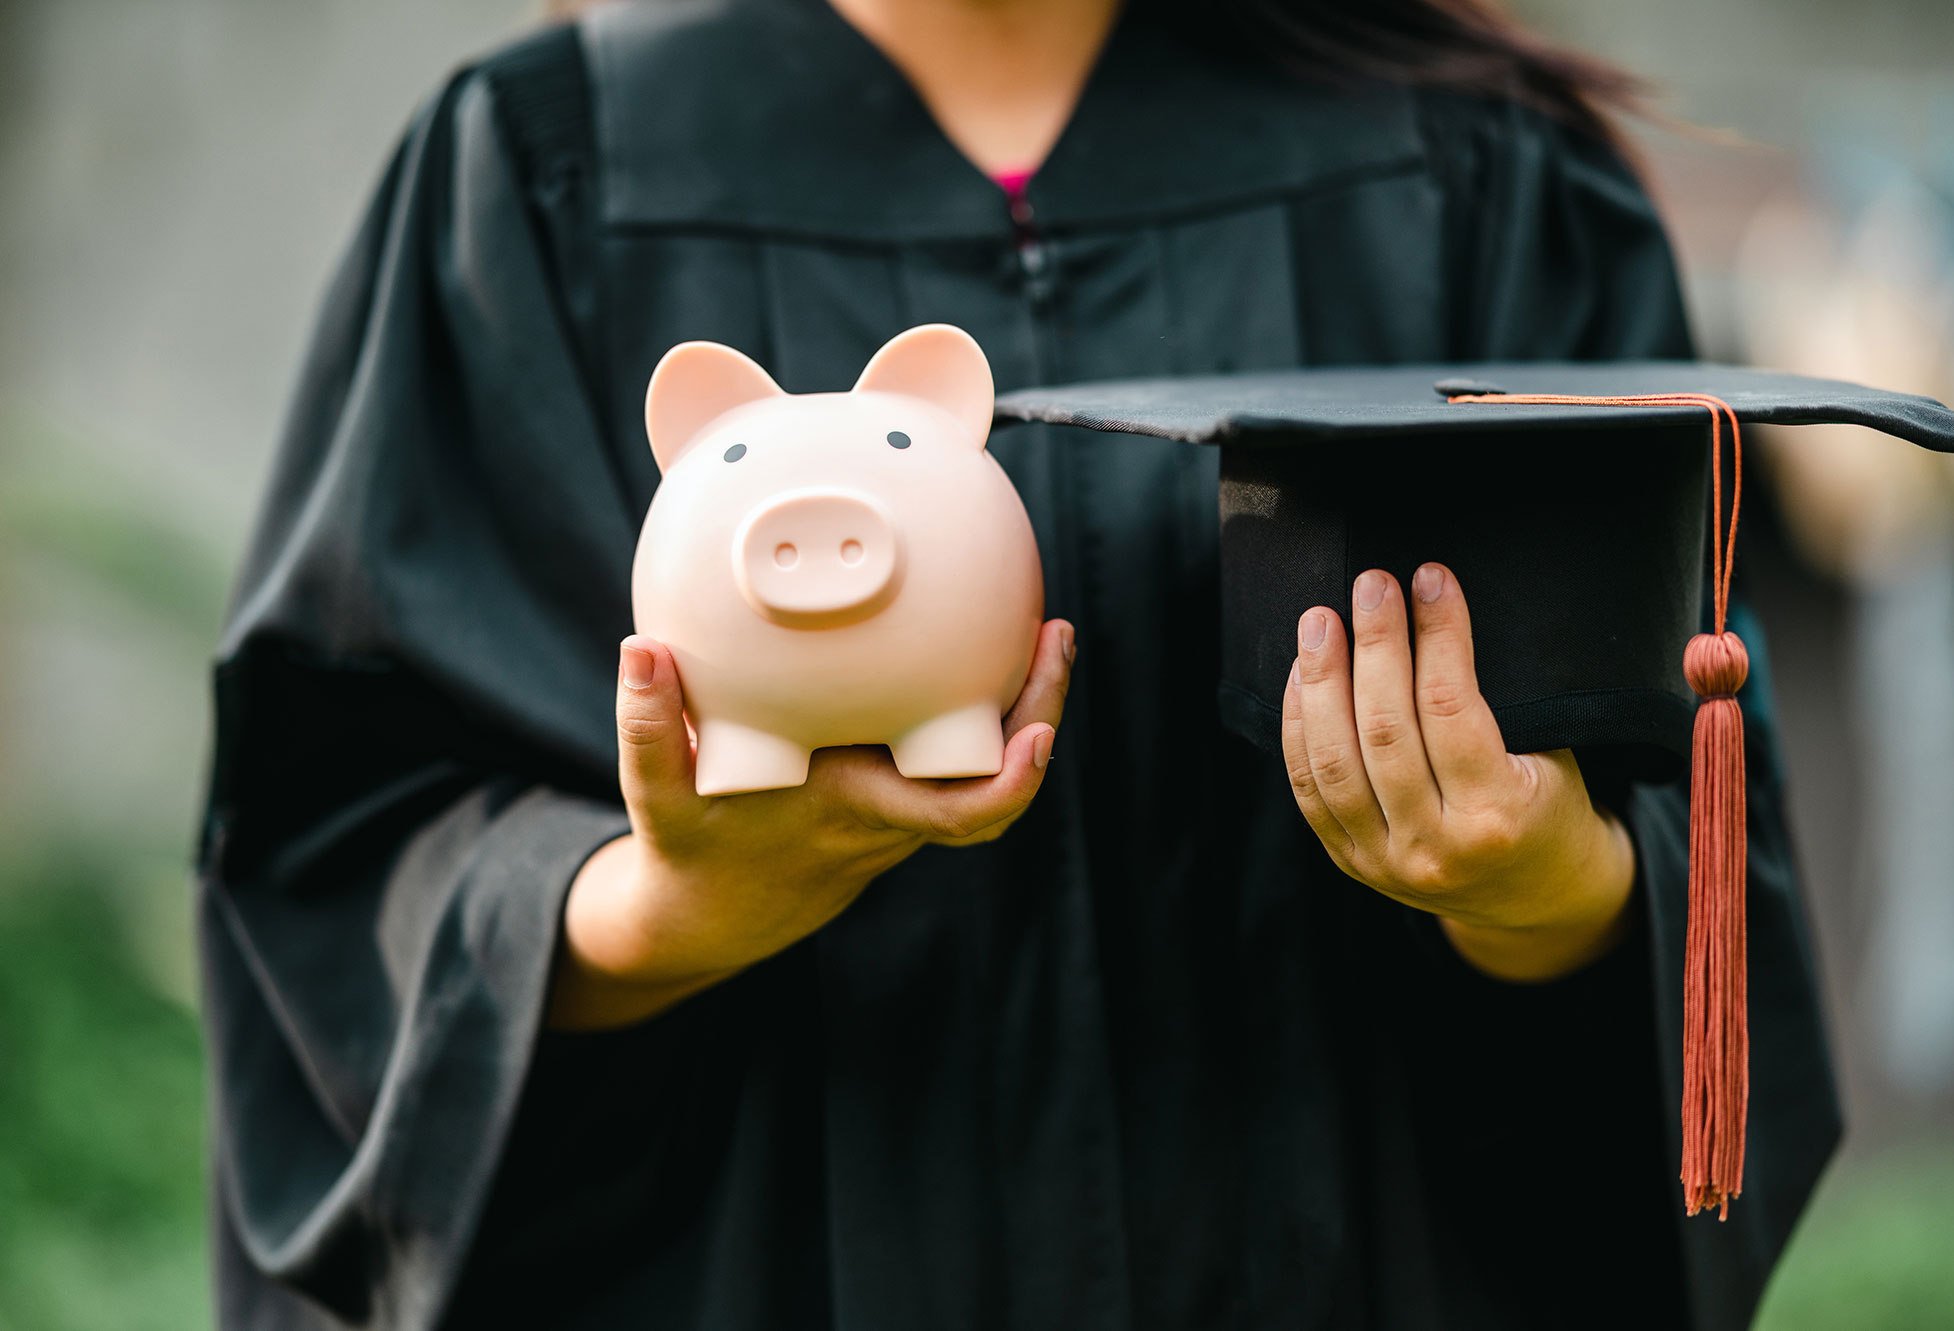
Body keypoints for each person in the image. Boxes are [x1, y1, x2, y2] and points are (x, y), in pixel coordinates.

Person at [197, 0, 1839, 1327]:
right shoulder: (544, 172)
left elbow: (1693, 803)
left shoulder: (1478, 165)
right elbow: (339, 838)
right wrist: (656, 909)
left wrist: (1536, 890)